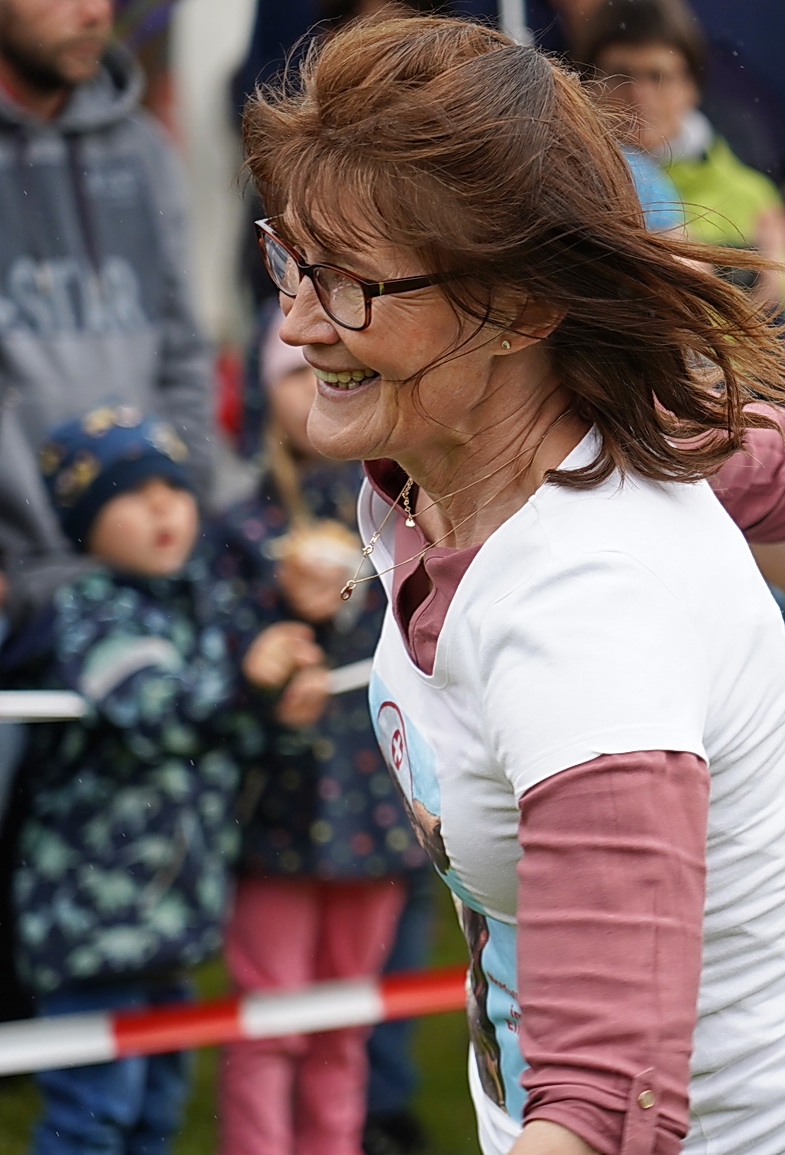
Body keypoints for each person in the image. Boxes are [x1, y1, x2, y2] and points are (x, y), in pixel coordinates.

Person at [243, 15, 785, 1155]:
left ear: (521, 309)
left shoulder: (590, 619)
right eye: (289, 257)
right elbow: (781, 463)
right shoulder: (529, 442)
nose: (293, 324)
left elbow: (604, 1114)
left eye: (351, 286)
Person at [12, 406, 327, 1155]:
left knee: (155, 1115)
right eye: (129, 490)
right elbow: (160, 716)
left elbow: (229, 738)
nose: (162, 505)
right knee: (91, 1120)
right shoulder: (87, 612)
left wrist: (279, 709)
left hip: (174, 928)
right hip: (91, 935)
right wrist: (248, 683)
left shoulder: (203, 603)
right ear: (81, 520)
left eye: (175, 487)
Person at [214, 317, 427, 1155]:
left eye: (332, 373)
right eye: (295, 374)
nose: (315, 390)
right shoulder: (239, 530)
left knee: (347, 1019)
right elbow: (223, 652)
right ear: (266, 393)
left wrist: (347, 596)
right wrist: (273, 635)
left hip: (374, 801)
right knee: (269, 1019)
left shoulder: (402, 508)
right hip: (280, 806)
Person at [0, 0, 213, 629]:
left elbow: (184, 348)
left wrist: (184, 495)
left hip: (145, 555)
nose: (94, 12)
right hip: (14, 582)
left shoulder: (144, 150)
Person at [573, 0, 785, 386]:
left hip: (745, 420)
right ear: (589, 84)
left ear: (692, 87)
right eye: (621, 75)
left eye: (658, 76)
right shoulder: (571, 189)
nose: (639, 95)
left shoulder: (752, 196)